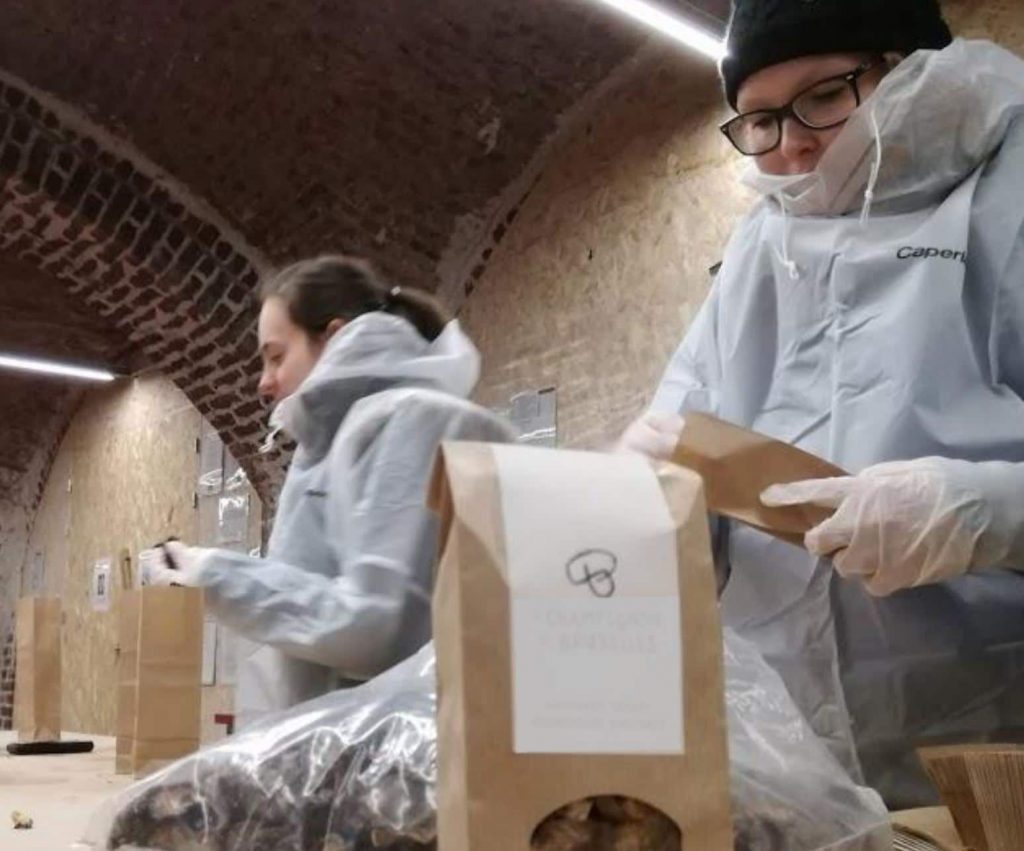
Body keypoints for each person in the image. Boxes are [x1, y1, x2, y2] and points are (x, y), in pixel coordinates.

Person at [621, 0, 1024, 806]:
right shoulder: (758, 244)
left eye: (826, 95)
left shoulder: (1008, 195)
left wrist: (987, 510)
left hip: (994, 745)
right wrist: (652, 499)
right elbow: (687, 425)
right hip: (791, 764)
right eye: (760, 120)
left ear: (910, 67)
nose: (792, 143)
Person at [151, 255, 514, 727]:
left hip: (398, 746)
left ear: (335, 337)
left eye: (276, 356)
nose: (264, 381)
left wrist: (215, 575)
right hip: (343, 738)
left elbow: (376, 626)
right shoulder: (328, 448)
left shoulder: (413, 421)